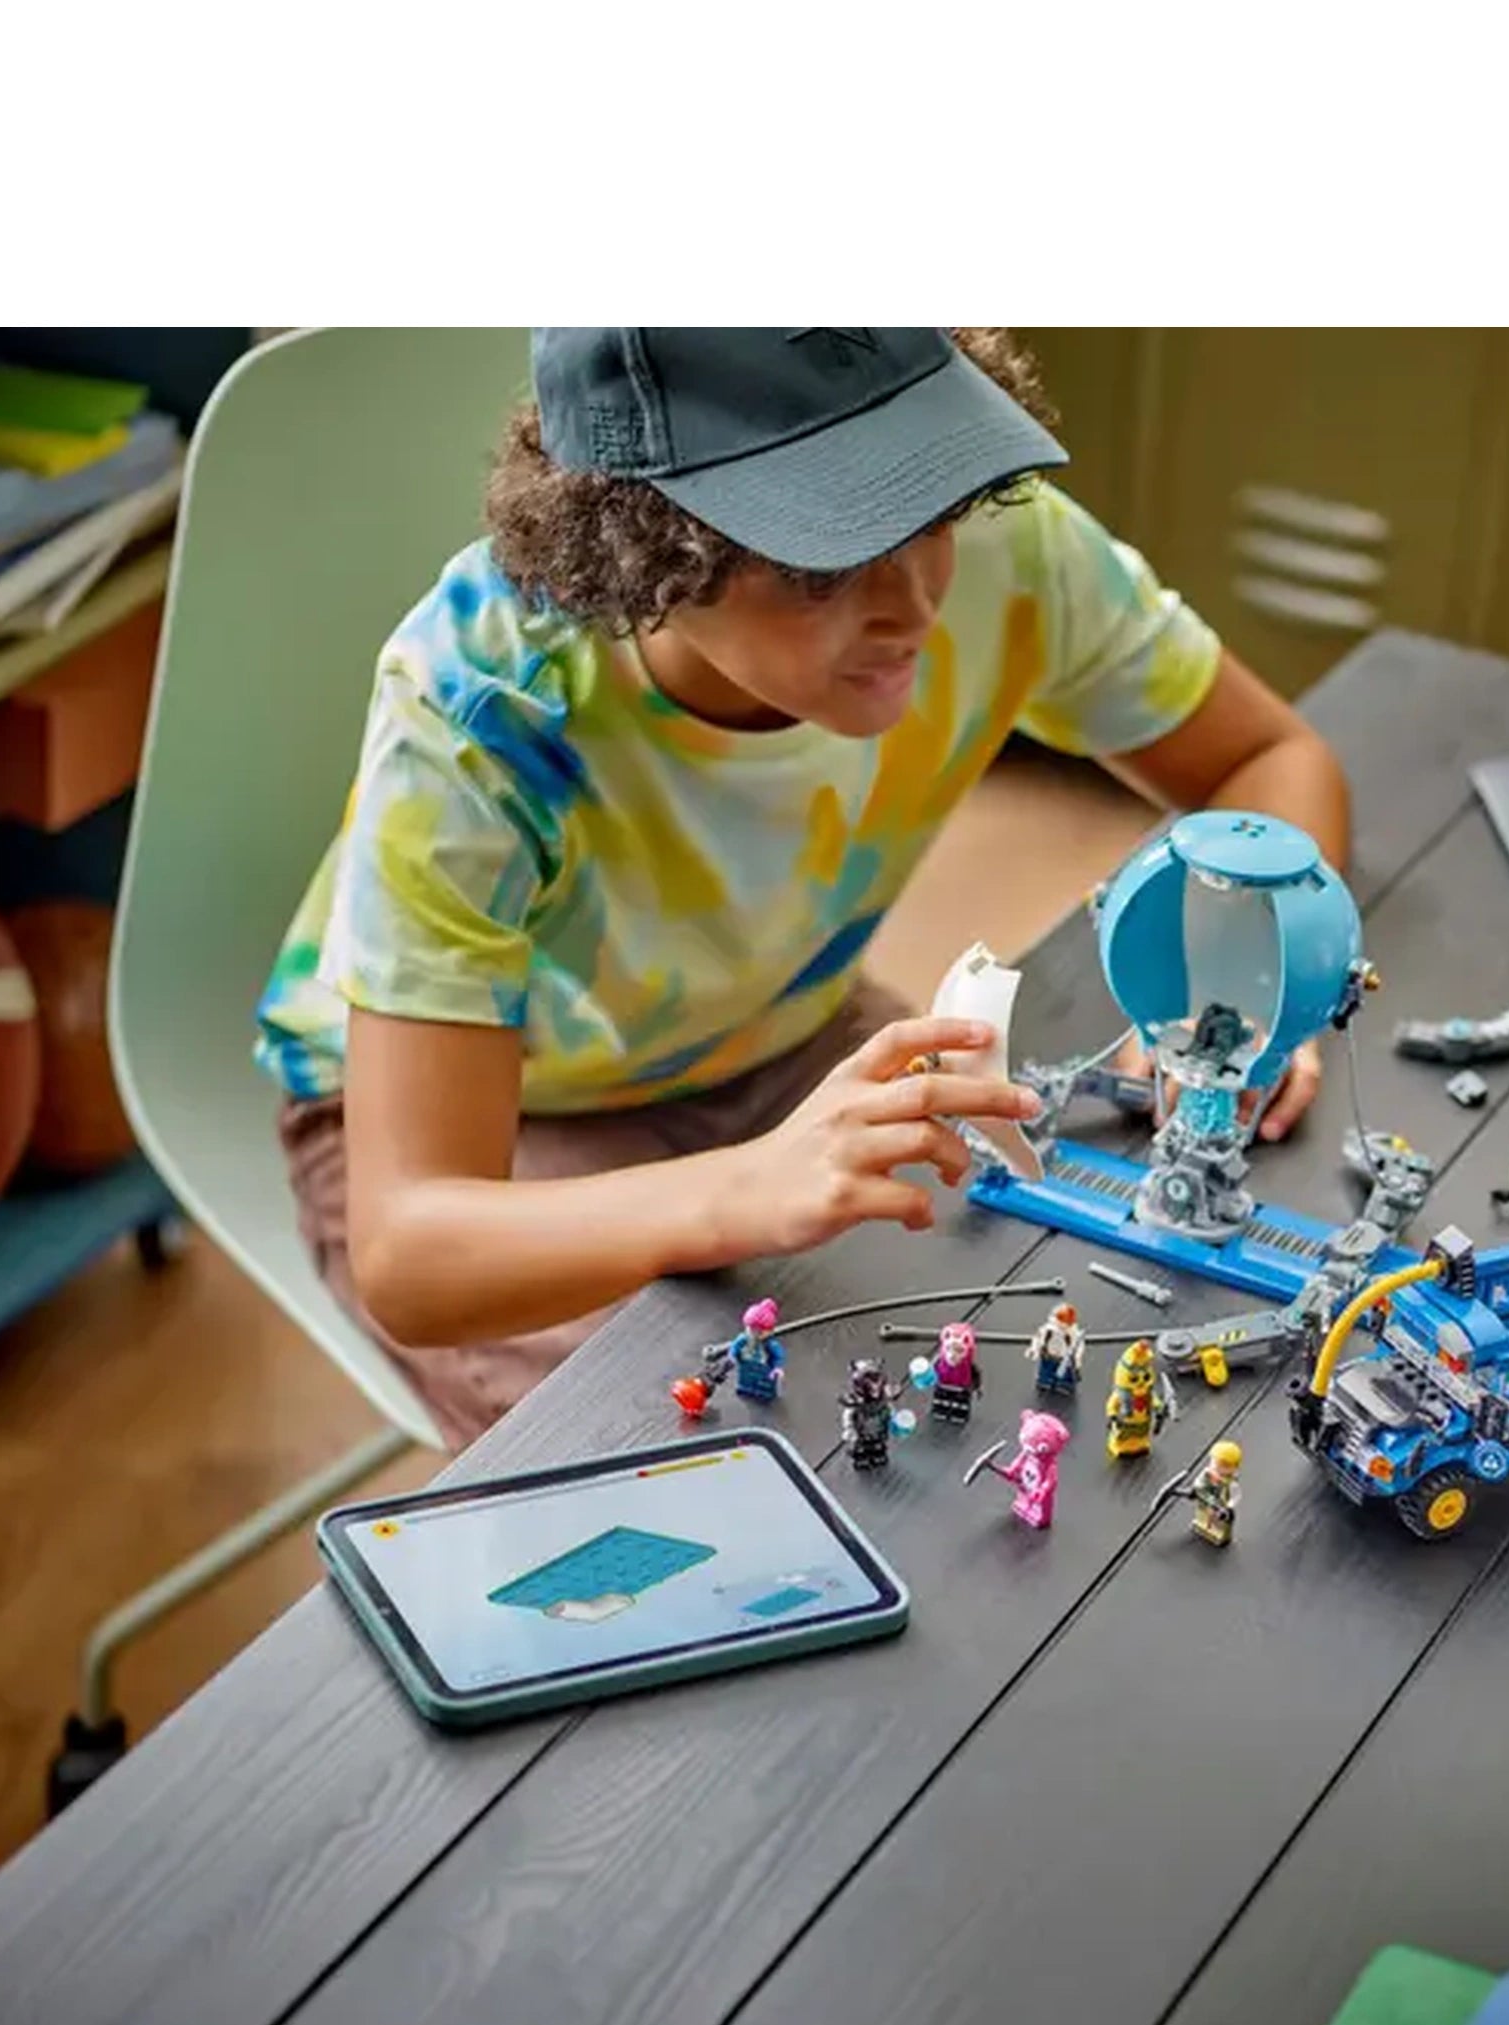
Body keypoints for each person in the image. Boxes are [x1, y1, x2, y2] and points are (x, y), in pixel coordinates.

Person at [257, 329, 1351, 1447]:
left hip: (780, 1025)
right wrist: (745, 1188)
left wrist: (1231, 995)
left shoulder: (1010, 556)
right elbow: (412, 1248)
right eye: (823, 565)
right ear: (639, 546)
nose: (914, 602)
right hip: (508, 1119)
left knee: (1047, 1313)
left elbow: (1266, 765)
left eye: (928, 507)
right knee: (724, 1459)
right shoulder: (487, 709)